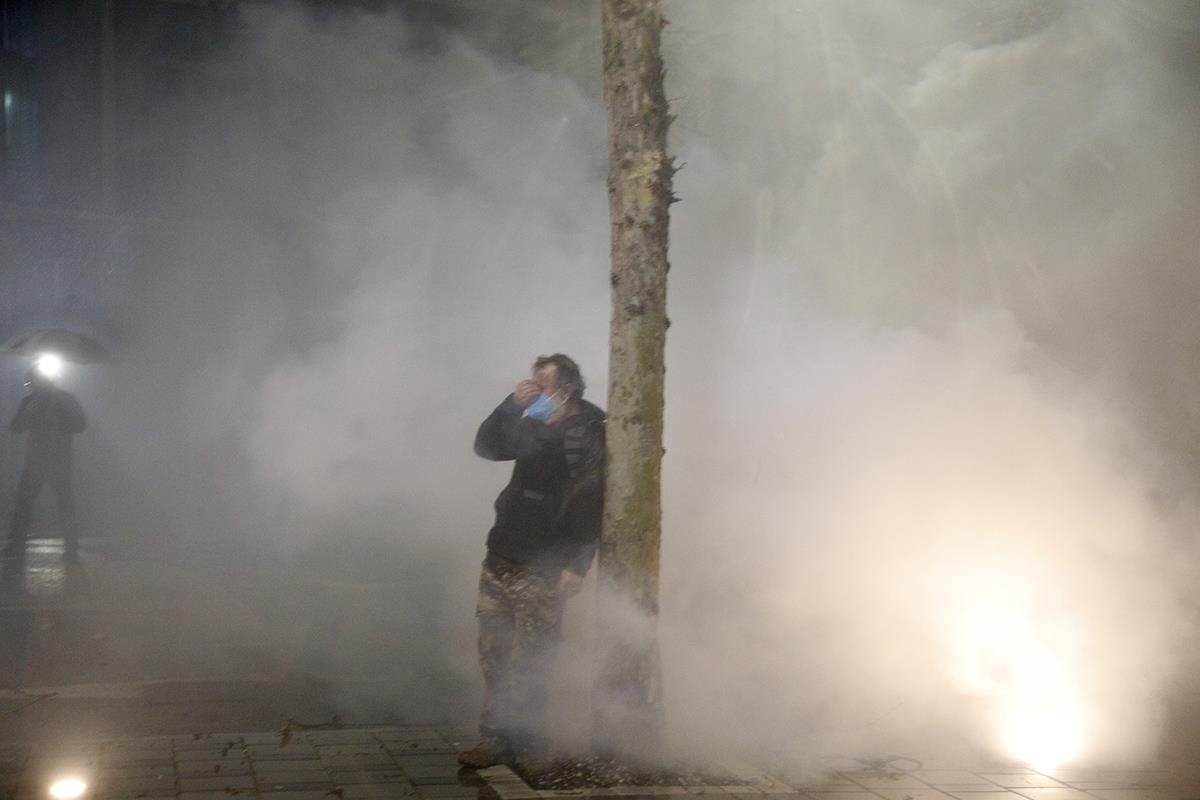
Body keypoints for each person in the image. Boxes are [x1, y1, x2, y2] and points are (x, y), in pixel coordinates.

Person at [458, 353, 606, 768]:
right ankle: (494, 738)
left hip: (544, 564)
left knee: (534, 657)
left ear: (567, 390)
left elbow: (590, 504)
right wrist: (512, 404)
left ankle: (528, 743)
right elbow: (487, 447)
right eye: (531, 383)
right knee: (494, 652)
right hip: (502, 553)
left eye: (541, 386)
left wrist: (576, 565)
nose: (533, 391)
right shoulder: (535, 421)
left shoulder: (587, 433)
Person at [4, 365, 87, 560]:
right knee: (37, 505)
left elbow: (80, 424)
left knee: (57, 504)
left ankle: (69, 549)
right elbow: (16, 426)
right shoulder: (34, 401)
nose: (30, 386)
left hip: (51, 461)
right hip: (43, 461)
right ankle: (19, 547)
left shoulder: (63, 400)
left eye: (31, 382)